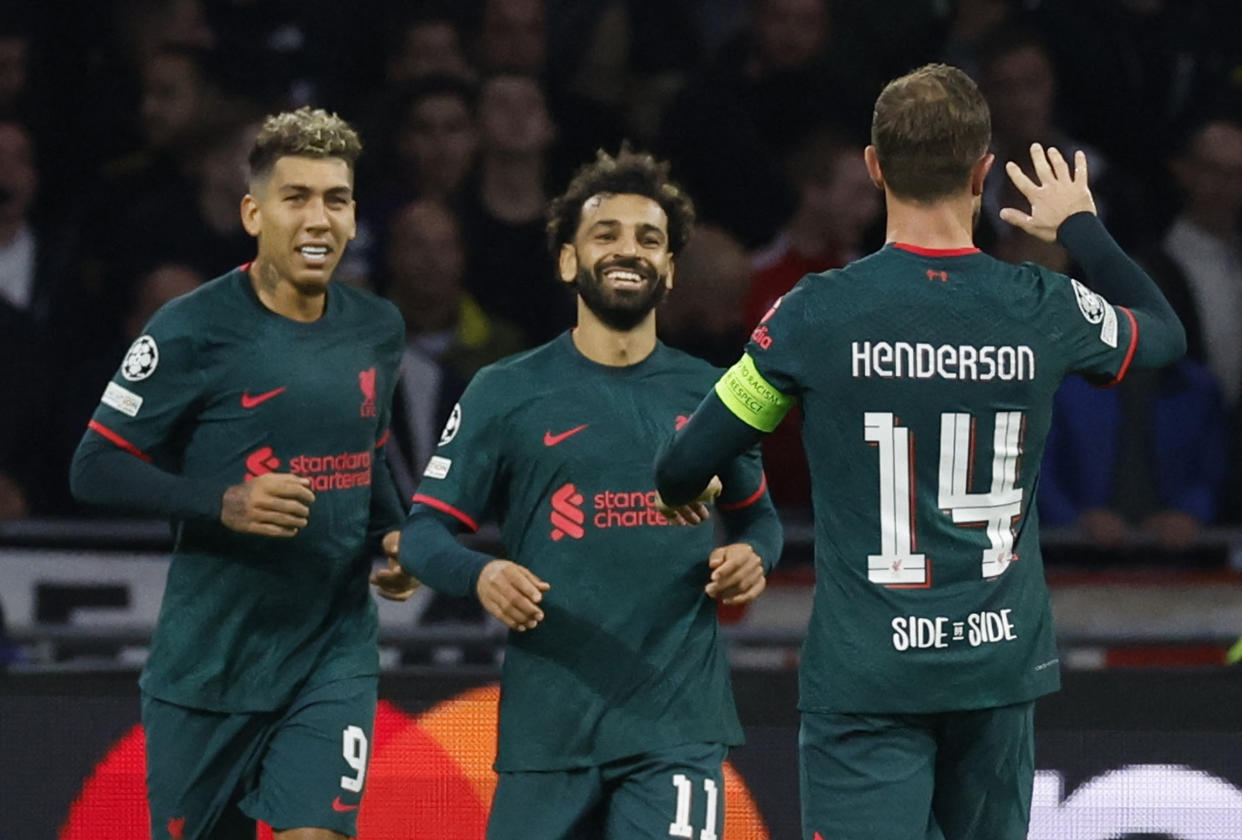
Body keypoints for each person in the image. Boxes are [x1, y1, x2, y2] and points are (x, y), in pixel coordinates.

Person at [656, 63, 1186, 840]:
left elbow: (683, 466)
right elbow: (1163, 334)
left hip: (866, 676)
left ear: (875, 167)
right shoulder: (1040, 306)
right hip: (997, 669)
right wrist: (1078, 224)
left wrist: (749, 441)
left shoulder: (815, 314)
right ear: (982, 171)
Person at [390, 147, 782, 839]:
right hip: (548, 733)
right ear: (569, 260)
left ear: (668, 268)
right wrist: (482, 574)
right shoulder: (505, 391)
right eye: (607, 234)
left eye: (649, 239)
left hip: (676, 726)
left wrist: (751, 557)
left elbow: (762, 525)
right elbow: (422, 535)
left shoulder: (717, 392)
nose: (628, 249)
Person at [70, 107, 417, 840]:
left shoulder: (378, 327)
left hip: (330, 651)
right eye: (297, 198)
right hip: (211, 665)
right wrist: (221, 502)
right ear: (253, 213)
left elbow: (368, 453)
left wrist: (391, 538)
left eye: (336, 199)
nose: (319, 218)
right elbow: (94, 466)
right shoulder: (190, 327)